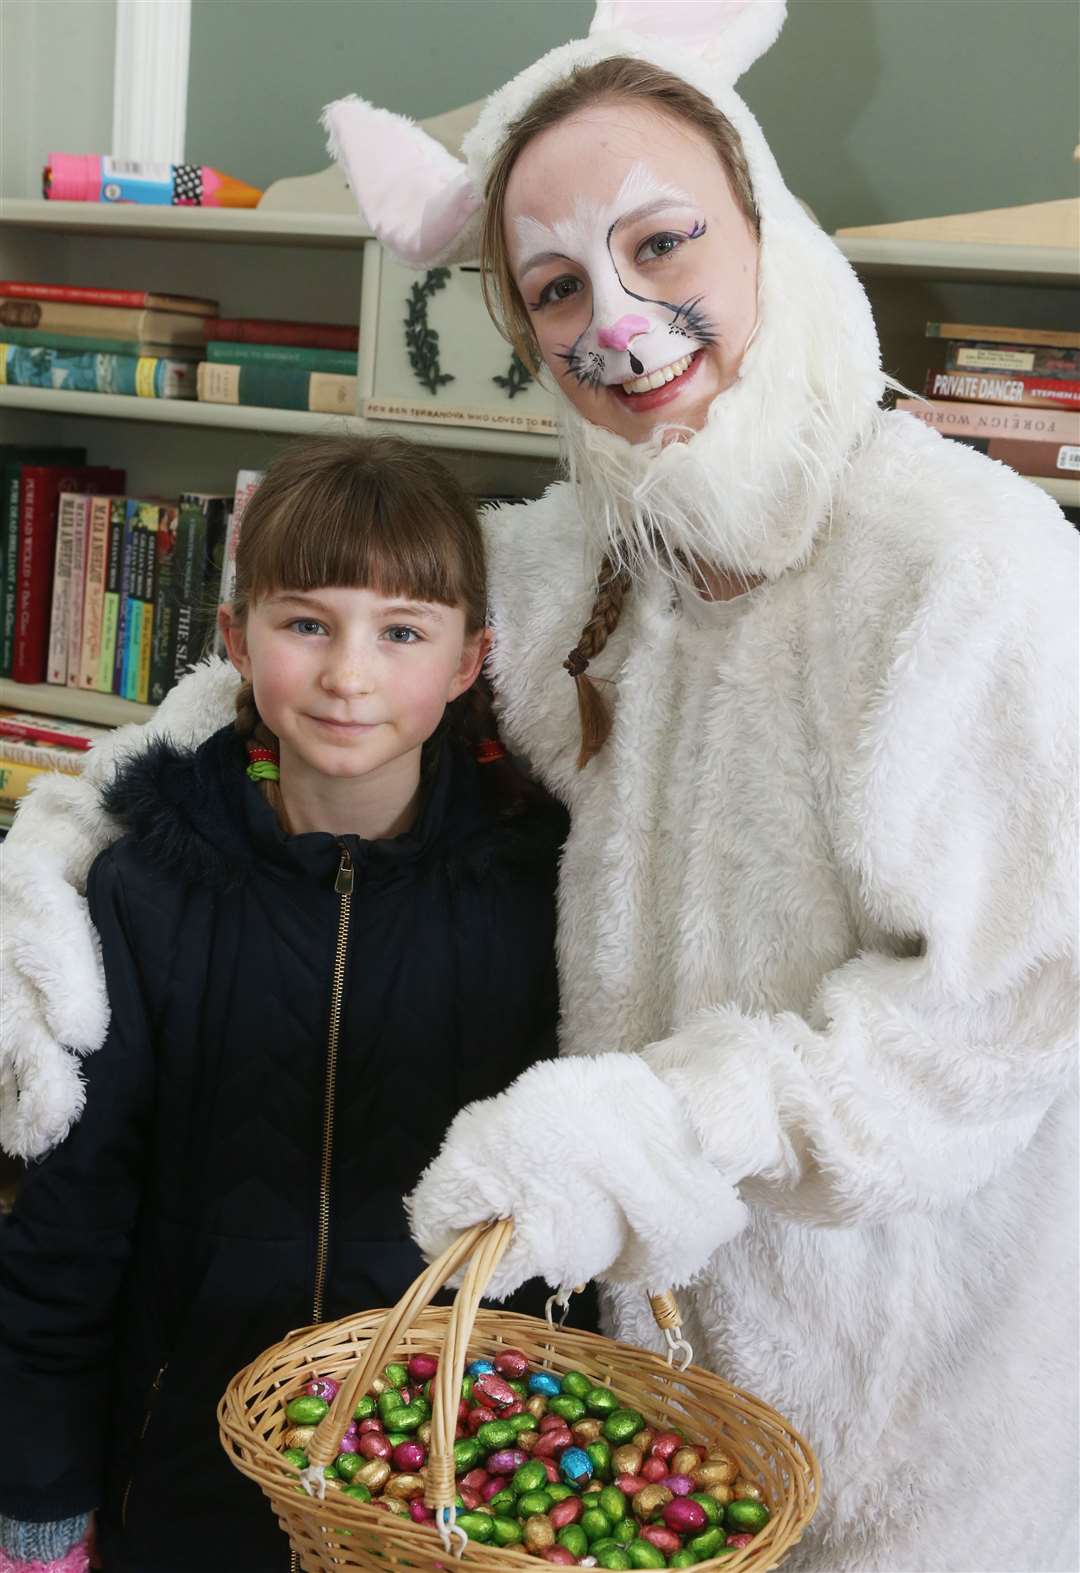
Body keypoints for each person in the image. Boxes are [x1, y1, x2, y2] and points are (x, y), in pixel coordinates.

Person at [2, 3, 1077, 1570]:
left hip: (900, 1401)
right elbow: (272, 693)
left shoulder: (971, 571)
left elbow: (1009, 1011)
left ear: (762, 226)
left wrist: (672, 1126)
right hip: (620, 1402)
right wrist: (59, 849)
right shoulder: (572, 557)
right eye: (558, 285)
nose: (615, 322)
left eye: (664, 247)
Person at [0, 434, 587, 1573]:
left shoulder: (537, 893)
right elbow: (71, 1223)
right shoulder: (143, 890)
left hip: (445, 1489)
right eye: (307, 623)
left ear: (471, 661)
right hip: (183, 1471)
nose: (348, 675)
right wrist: (36, 1511)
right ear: (235, 641)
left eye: (402, 631)